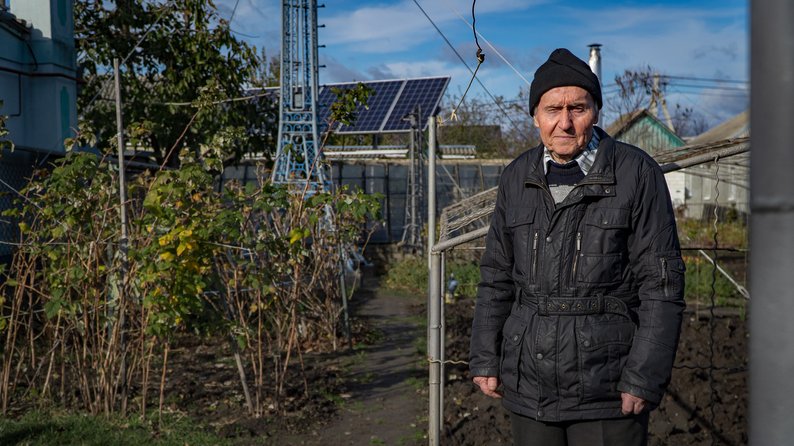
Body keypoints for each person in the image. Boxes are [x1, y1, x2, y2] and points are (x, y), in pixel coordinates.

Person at [469, 48, 685, 446]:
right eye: (553, 109)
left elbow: (662, 286)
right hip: (529, 384)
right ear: (535, 115)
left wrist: (643, 376)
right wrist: (485, 355)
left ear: (596, 111)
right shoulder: (517, 177)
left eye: (578, 108)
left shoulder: (635, 173)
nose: (564, 123)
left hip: (606, 387)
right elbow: (496, 276)